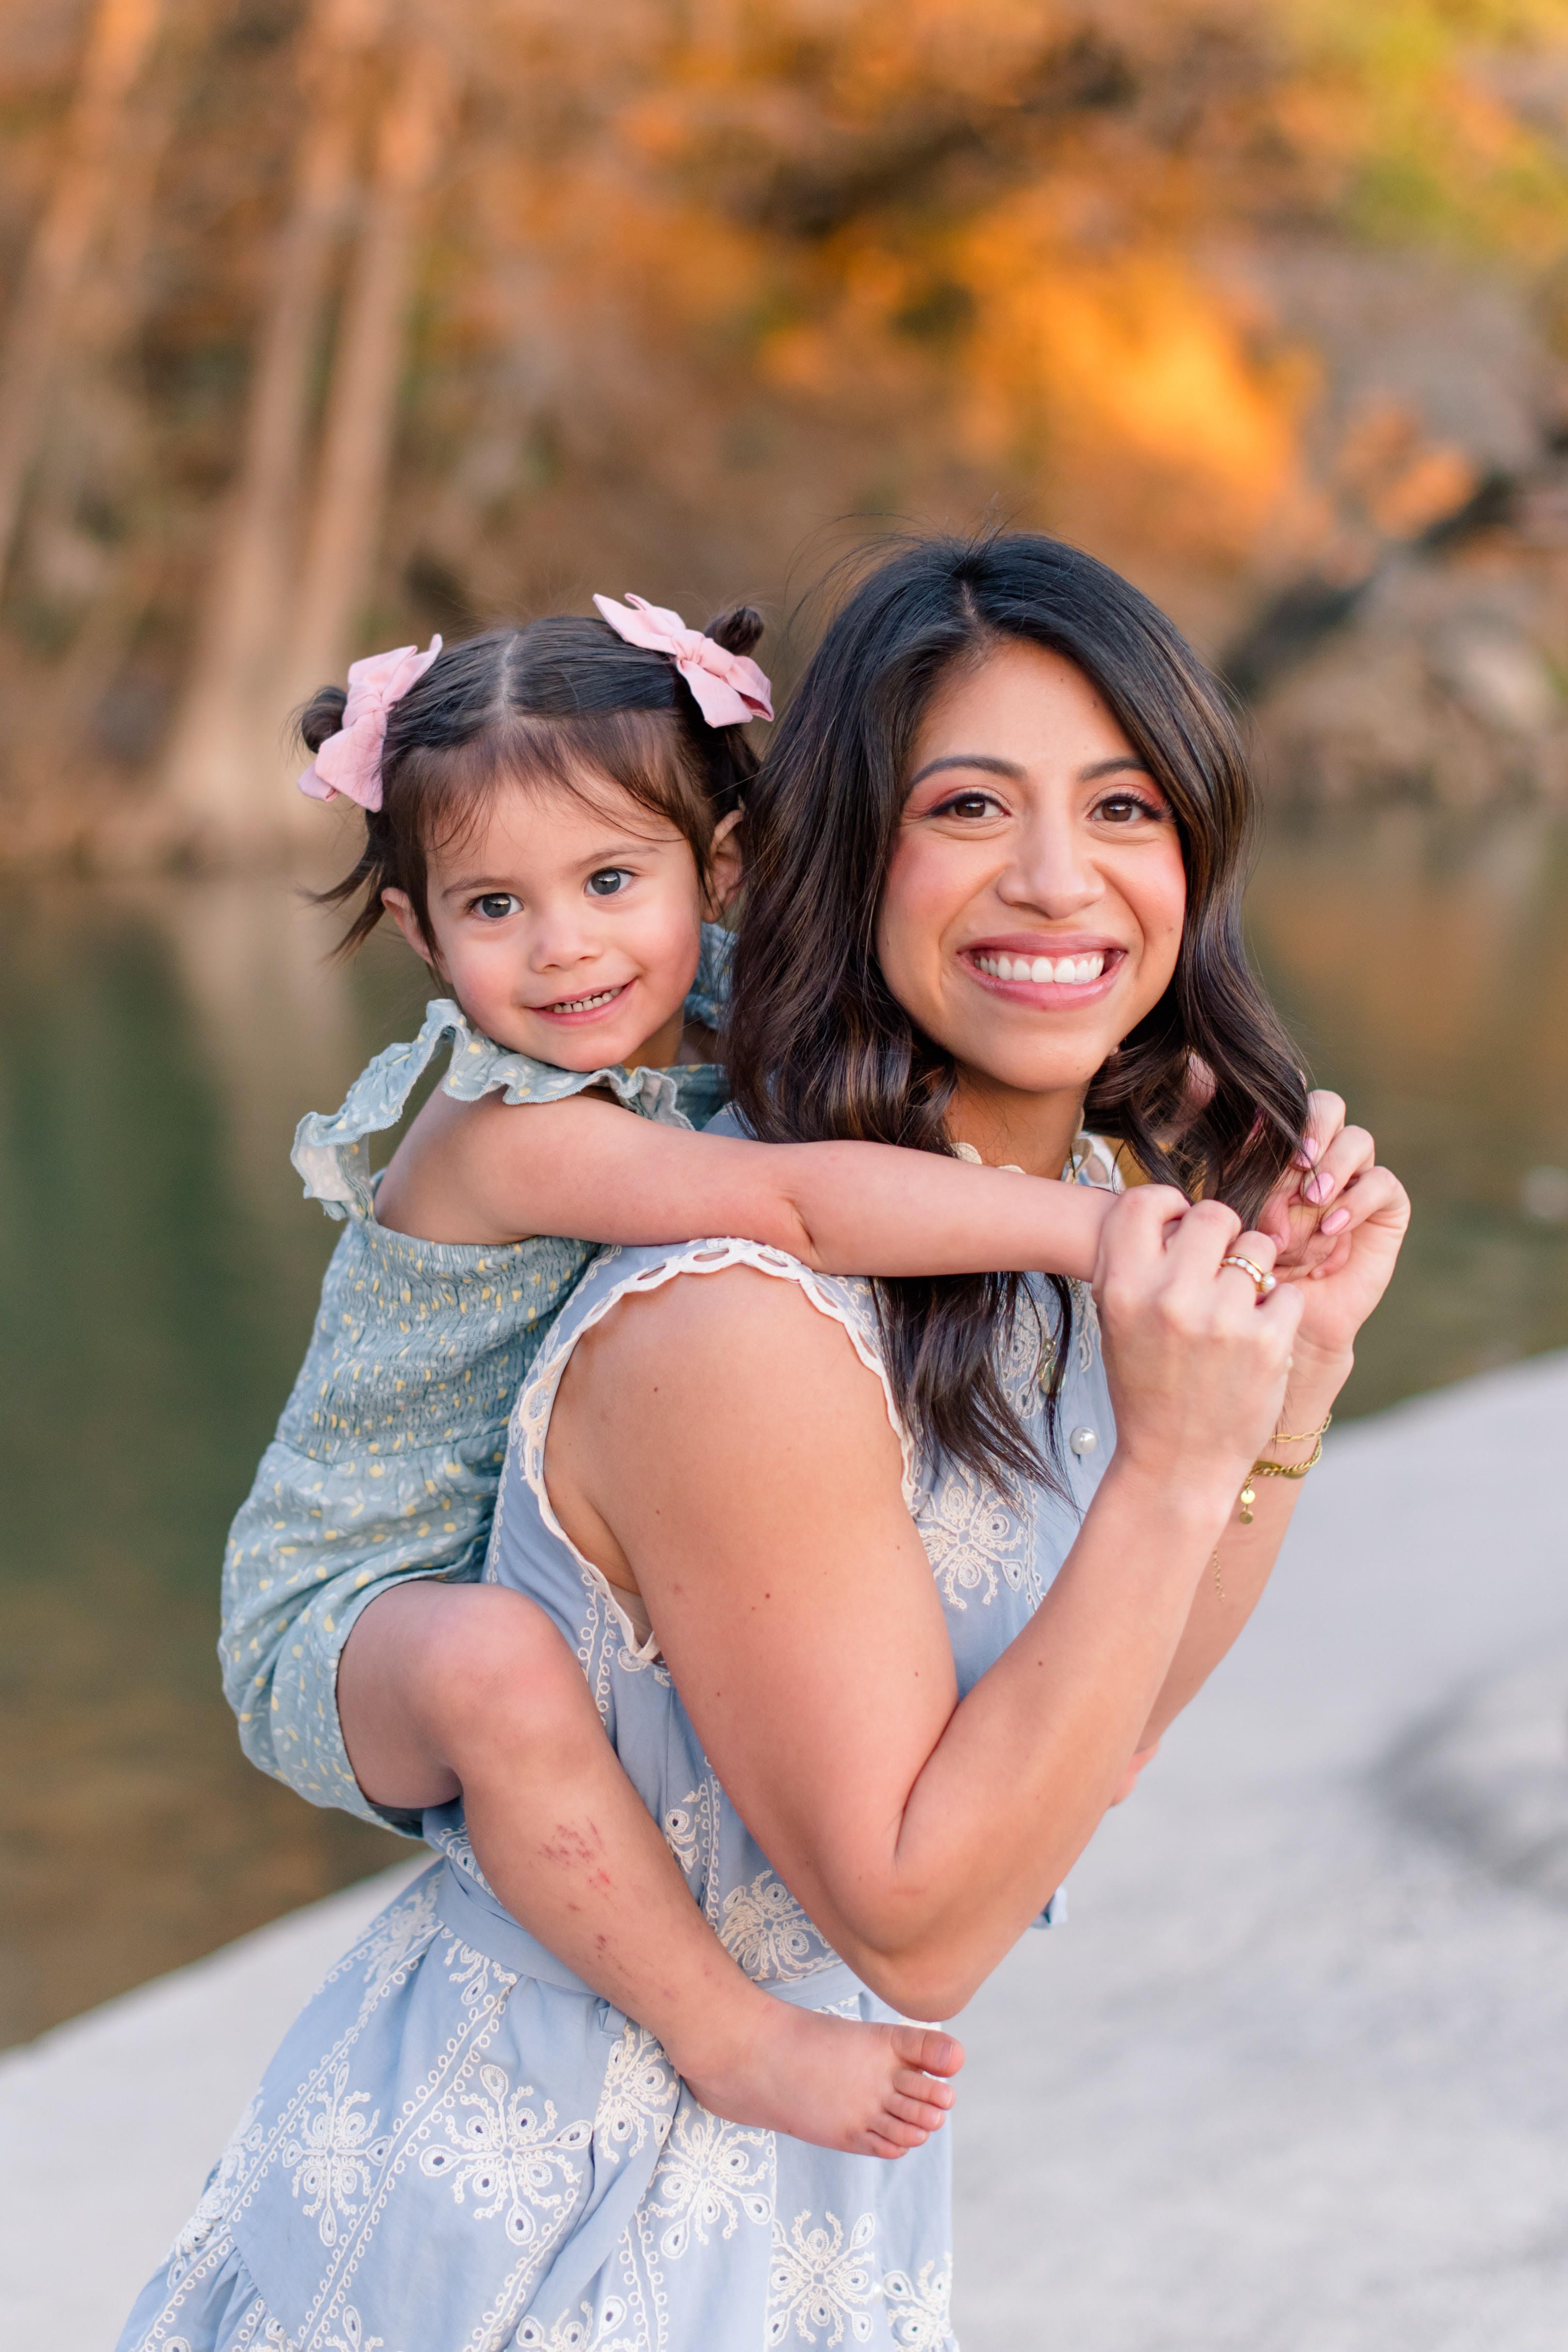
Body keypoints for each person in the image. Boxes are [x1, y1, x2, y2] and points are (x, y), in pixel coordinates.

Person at [124, 535, 1403, 2352]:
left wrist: (1285, 1377)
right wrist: (1149, 1338)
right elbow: (926, 1921)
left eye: (1122, 801)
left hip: (815, 2190)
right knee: (485, 1664)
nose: (1058, 873)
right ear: (837, 847)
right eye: (968, 802)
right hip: (543, 2182)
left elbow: (1081, 1765)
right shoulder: (693, 1267)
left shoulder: (969, 1208)